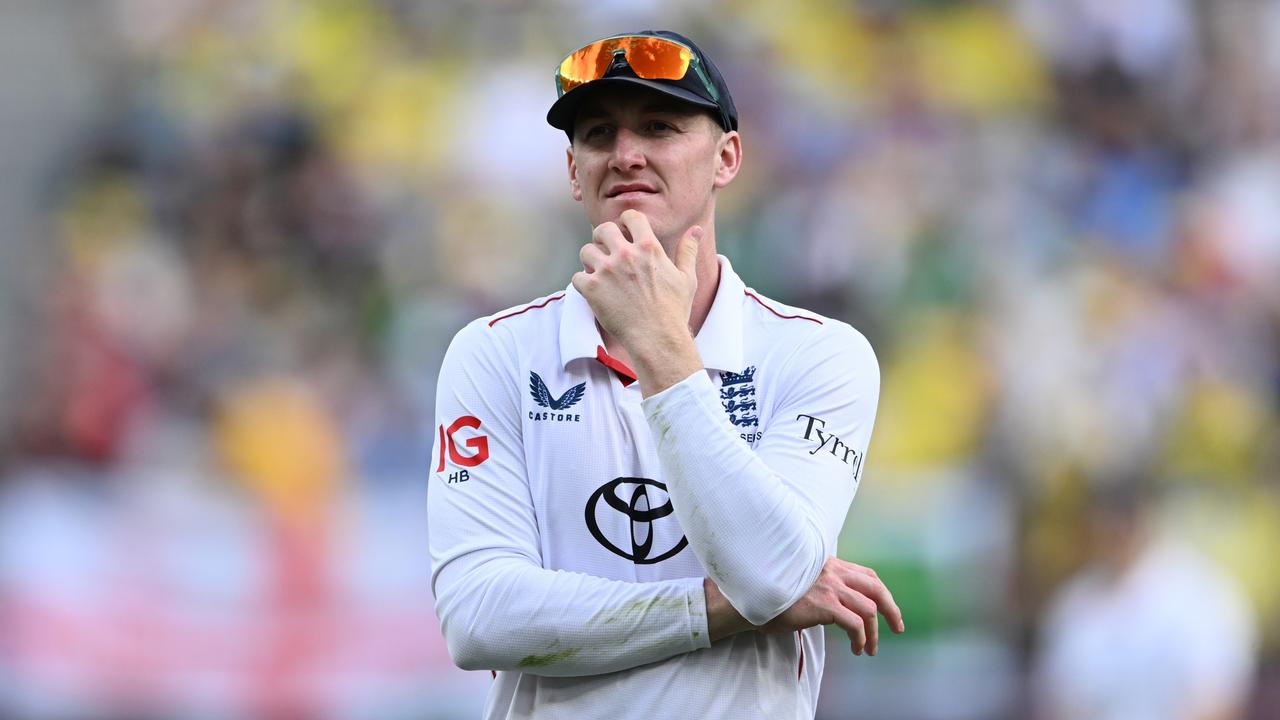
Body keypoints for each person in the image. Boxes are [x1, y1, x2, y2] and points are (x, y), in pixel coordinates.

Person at [428, 30, 903, 718]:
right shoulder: (493, 353)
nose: (626, 154)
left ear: (726, 157)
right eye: (599, 133)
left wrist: (661, 343)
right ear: (573, 171)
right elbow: (478, 619)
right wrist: (720, 608)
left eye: (659, 127)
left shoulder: (820, 354)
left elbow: (768, 574)